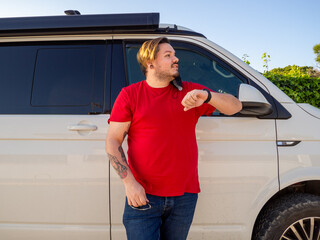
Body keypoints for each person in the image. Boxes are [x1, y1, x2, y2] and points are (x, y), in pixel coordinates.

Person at [105, 37, 242, 240]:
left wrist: (207, 95)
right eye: (168, 55)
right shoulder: (130, 95)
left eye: (174, 54)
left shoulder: (189, 92)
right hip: (143, 196)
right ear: (150, 63)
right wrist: (129, 184)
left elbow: (235, 106)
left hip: (184, 198)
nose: (175, 59)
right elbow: (112, 141)